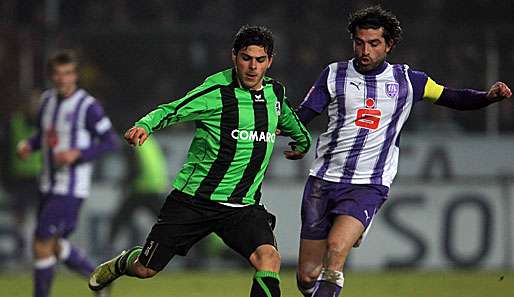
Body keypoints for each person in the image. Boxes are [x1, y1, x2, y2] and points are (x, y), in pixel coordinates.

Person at [294, 6, 512, 297]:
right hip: (323, 181)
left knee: (336, 251)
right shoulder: (334, 74)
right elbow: (304, 114)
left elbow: (451, 97)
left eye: (373, 44)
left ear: (389, 45)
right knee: (307, 276)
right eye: (359, 43)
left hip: (368, 184)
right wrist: (288, 132)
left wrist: (487, 98)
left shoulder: (409, 81)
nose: (365, 50)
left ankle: (352, 231)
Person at [88, 25, 311, 297]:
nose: (253, 67)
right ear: (234, 57)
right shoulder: (216, 92)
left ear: (269, 62)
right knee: (146, 269)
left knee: (269, 259)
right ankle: (122, 263)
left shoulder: (275, 94)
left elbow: (288, 119)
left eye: (260, 60)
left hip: (241, 206)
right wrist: (146, 125)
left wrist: (303, 141)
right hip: (194, 201)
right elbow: (173, 109)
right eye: (246, 58)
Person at [17, 50, 118, 297]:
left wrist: (78, 154)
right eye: (58, 74)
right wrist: (30, 145)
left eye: (68, 74)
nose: (63, 79)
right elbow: (44, 135)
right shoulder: (46, 101)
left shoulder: (87, 106)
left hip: (71, 187)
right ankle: (98, 279)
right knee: (51, 245)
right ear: (51, 76)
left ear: (75, 76)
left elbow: (110, 141)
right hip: (47, 184)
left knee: (41, 241)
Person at [0, 92, 41, 262]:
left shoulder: (45, 124)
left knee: (42, 217)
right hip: (19, 178)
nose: (35, 107)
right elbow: (4, 152)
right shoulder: (12, 123)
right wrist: (6, 178)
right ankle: (22, 252)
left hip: (40, 177)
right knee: (20, 217)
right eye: (32, 103)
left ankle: (40, 253)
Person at [108, 137, 168, 249]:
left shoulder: (132, 143)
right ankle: (194, 252)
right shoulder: (149, 141)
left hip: (140, 188)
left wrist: (124, 182)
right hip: (155, 187)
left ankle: (107, 249)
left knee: (119, 219)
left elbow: (135, 169)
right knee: (168, 222)